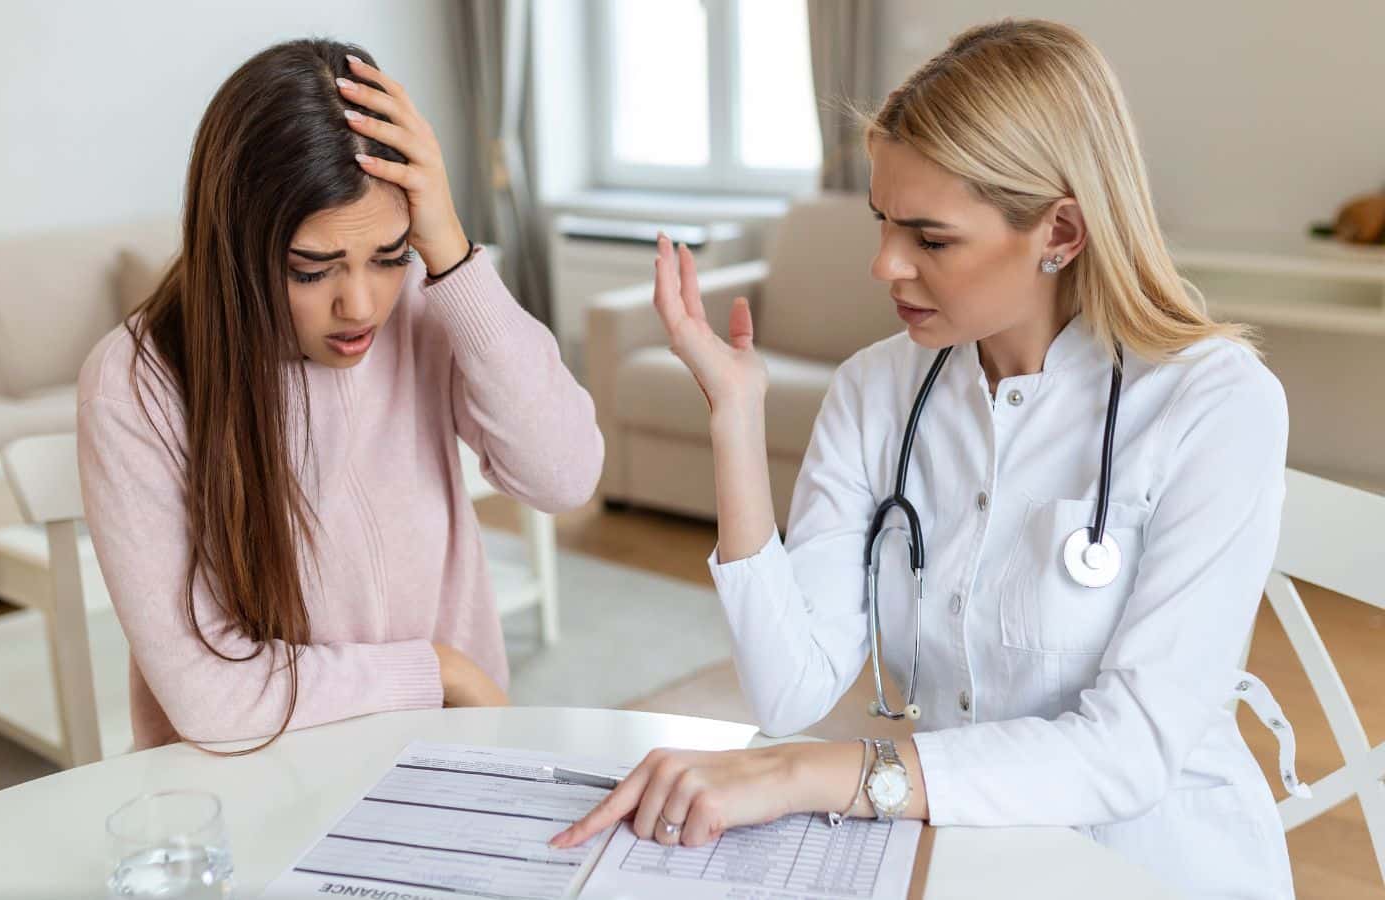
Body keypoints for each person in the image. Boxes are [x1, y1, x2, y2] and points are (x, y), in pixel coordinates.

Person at [552, 19, 1296, 898]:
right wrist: (736, 420)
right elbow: (789, 695)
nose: (884, 265)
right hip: (964, 860)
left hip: (1157, 867)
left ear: (1060, 231)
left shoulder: (1214, 403)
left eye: (930, 239)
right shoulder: (876, 389)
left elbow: (1127, 751)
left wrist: (808, 773)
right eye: (882, 222)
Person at [76, 38, 602, 752]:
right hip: (252, 776)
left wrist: (451, 254)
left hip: (442, 758)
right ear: (237, 247)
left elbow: (564, 476)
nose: (360, 306)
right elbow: (212, 699)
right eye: (311, 269)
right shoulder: (136, 384)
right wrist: (438, 671)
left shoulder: (423, 305)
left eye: (389, 256)